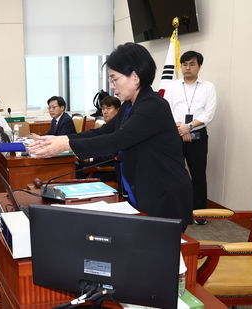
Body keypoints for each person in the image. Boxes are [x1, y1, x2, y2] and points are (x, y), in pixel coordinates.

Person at [29, 42, 193, 230]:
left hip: (164, 196)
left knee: (158, 254)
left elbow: (118, 140)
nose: (112, 85)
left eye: (114, 79)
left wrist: (66, 144)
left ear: (135, 77)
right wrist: (61, 139)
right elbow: (103, 132)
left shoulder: (153, 106)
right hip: (142, 189)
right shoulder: (130, 105)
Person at [164, 51, 217, 225]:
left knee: (198, 175)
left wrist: (189, 126)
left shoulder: (208, 87)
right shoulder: (172, 86)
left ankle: (199, 213)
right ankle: (176, 211)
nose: (187, 67)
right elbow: (167, 110)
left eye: (192, 64)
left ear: (199, 66)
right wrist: (182, 128)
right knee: (175, 174)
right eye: (184, 64)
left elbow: (208, 113)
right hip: (175, 134)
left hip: (198, 135)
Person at [75, 96, 121, 182]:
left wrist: (91, 158)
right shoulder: (106, 126)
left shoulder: (120, 129)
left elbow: (113, 155)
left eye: (108, 108)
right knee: (75, 165)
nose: (105, 112)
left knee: (78, 172)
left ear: (118, 110)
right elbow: (95, 142)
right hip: (99, 162)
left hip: (109, 169)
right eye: (103, 109)